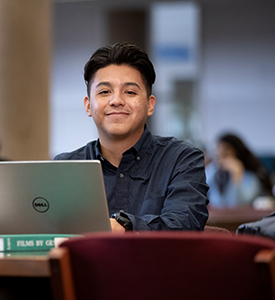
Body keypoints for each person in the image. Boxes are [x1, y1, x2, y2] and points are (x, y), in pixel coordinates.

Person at [53, 42, 209, 232]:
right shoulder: (65, 168)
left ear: (150, 105)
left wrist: (123, 228)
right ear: (88, 105)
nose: (116, 100)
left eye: (130, 92)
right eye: (104, 92)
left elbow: (185, 227)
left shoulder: (181, 160)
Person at [206, 133, 274, 207]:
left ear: (237, 151)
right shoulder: (213, 171)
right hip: (219, 217)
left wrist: (236, 174)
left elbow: (240, 204)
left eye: (226, 149)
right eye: (218, 149)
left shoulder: (250, 176)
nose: (220, 153)